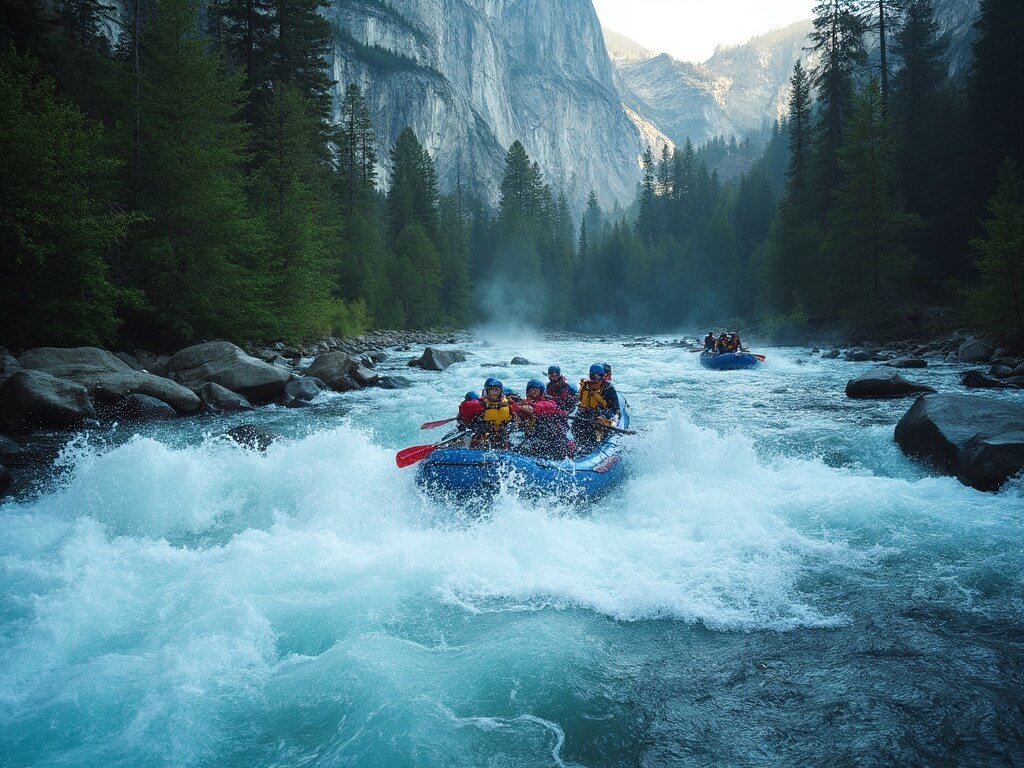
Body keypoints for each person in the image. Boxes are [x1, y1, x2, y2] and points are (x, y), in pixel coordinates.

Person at [516, 379, 572, 458]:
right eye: (530, 390)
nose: (533, 392)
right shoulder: (523, 403)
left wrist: (530, 407)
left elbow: (541, 407)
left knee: (562, 449)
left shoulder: (550, 402)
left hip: (553, 437)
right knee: (521, 449)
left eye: (535, 390)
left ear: (541, 391)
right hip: (534, 436)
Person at [576, 362, 621, 450]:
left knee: (599, 420)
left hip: (605, 415)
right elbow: (580, 401)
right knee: (577, 423)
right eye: (593, 377)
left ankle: (599, 441)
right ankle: (580, 444)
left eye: (599, 376)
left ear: (603, 376)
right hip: (588, 414)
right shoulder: (586, 387)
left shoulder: (609, 389)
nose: (596, 380)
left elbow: (616, 409)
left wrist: (614, 421)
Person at [471, 377, 514, 449]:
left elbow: (515, 417)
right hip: (484, 430)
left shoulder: (508, 403)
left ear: (501, 392)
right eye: (491, 389)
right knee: (480, 433)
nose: (494, 392)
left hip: (501, 430)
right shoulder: (480, 404)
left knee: (503, 436)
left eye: (496, 389)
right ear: (486, 392)